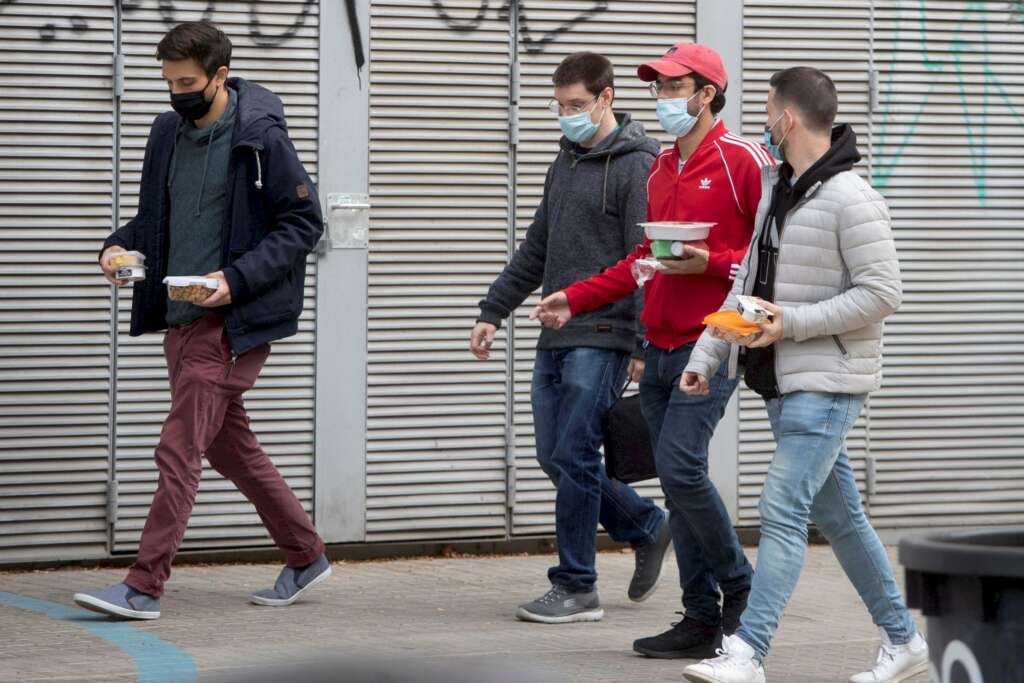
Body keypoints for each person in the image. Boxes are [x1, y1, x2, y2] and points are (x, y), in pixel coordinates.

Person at [680, 66, 928, 683]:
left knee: (781, 508)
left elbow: (883, 294)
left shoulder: (852, 198)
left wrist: (791, 323)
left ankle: (748, 652)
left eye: (767, 107)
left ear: (787, 118)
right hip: (781, 382)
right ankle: (904, 641)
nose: (763, 119)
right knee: (841, 518)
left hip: (829, 381)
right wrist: (706, 355)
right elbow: (748, 287)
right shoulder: (777, 189)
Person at [74, 21, 329, 620]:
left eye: (186, 82)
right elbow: (152, 219)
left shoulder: (260, 137)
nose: (175, 93)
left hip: (232, 321)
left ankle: (143, 584)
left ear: (219, 75)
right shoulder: (167, 131)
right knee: (227, 446)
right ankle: (305, 551)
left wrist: (231, 282)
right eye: (167, 82)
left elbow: (302, 225)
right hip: (180, 314)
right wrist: (115, 249)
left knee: (180, 446)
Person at [532, 42, 772, 657]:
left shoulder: (744, 160)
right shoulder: (664, 168)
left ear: (707, 94)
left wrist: (709, 262)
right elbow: (646, 262)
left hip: (714, 341)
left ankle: (740, 591)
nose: (664, 100)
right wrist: (574, 299)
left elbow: (769, 258)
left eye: (674, 88)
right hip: (661, 345)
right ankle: (699, 617)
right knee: (673, 478)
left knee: (684, 469)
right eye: (658, 89)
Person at [471, 51, 671, 624]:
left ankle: (578, 585)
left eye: (576, 105)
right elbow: (538, 248)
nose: (566, 116)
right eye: (560, 106)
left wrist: (640, 344)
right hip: (556, 331)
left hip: (605, 332)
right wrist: (494, 310)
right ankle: (645, 524)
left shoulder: (640, 166)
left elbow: (648, 258)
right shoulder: (564, 163)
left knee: (576, 452)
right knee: (554, 456)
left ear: (606, 98)